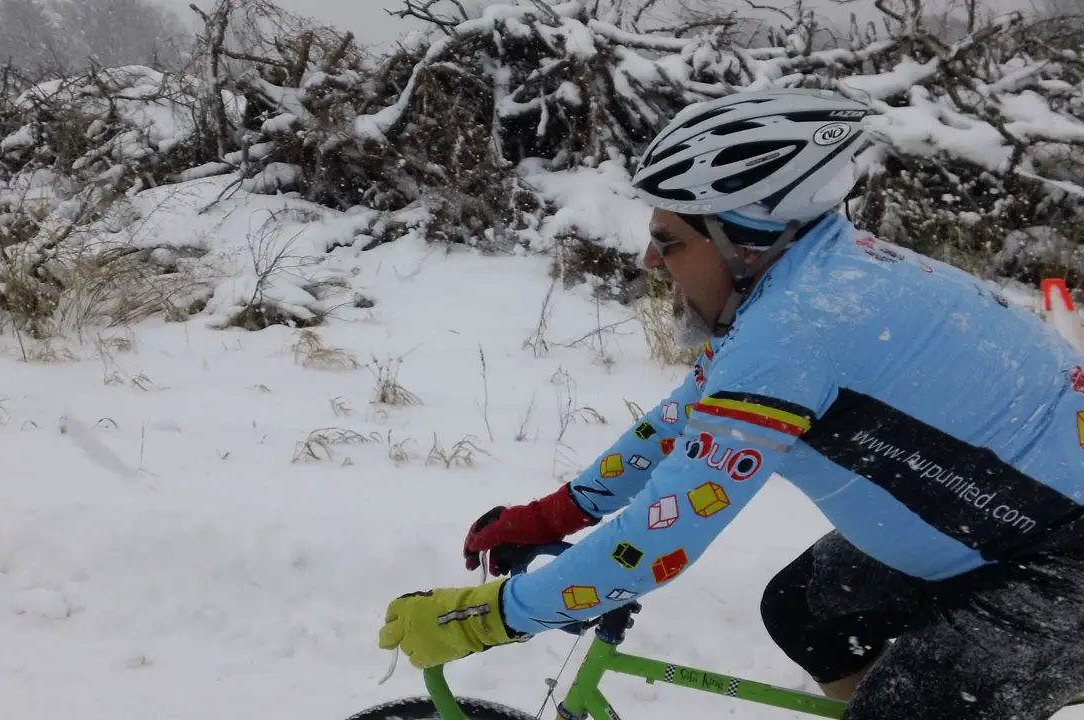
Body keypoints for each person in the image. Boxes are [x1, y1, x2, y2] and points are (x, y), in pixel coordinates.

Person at [376, 86, 1084, 719]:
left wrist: (487, 615)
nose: (651, 262)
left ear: (745, 241)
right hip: (1015, 536)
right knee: (803, 611)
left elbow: (652, 545)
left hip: (1061, 570)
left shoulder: (797, 331)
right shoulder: (816, 280)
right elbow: (684, 418)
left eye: (669, 240)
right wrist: (555, 514)